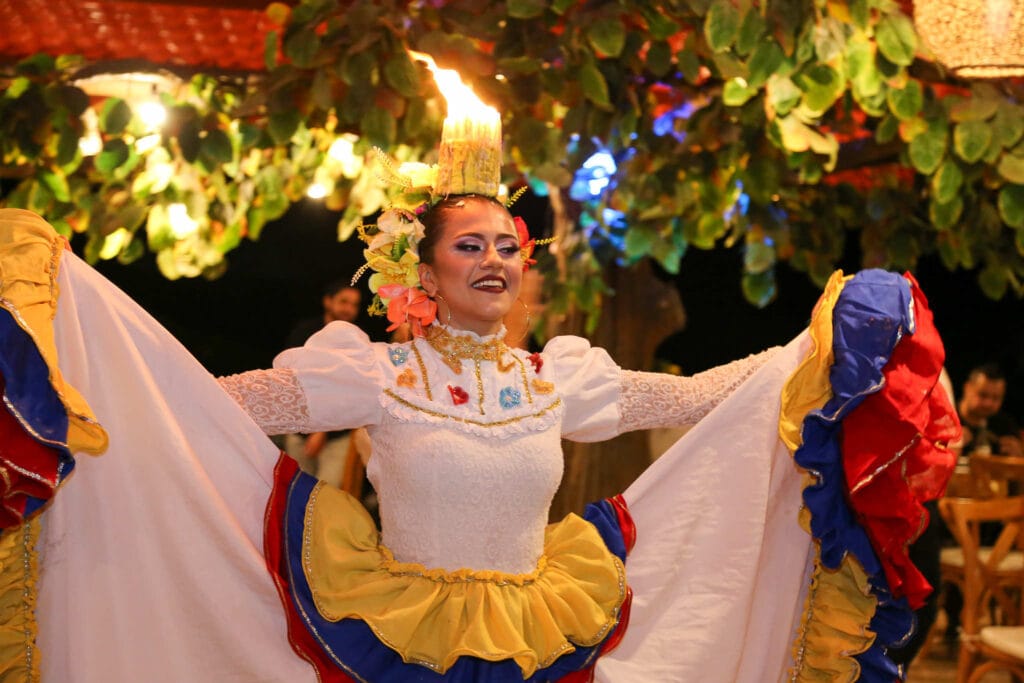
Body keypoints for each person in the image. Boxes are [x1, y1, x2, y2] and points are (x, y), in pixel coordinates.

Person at [0, 205, 956, 682]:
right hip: (395, 630)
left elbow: (699, 397)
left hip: (541, 628)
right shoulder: (372, 372)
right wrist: (103, 379)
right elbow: (206, 407)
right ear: (423, 268)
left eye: (509, 245)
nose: (495, 258)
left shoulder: (556, 379)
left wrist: (824, 350)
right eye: (470, 245)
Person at [280, 281, 363, 486]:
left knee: (326, 497)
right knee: (297, 491)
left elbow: (347, 388)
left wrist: (321, 431)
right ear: (328, 301)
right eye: (344, 301)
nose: (348, 309)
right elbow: (293, 376)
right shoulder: (305, 332)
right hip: (300, 428)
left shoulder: (356, 341)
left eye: (354, 304)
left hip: (336, 434)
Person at [957, 363, 1023, 459]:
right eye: (983, 395)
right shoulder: (946, 417)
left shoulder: (1005, 426)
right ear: (967, 388)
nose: (988, 403)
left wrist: (1018, 456)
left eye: (996, 398)